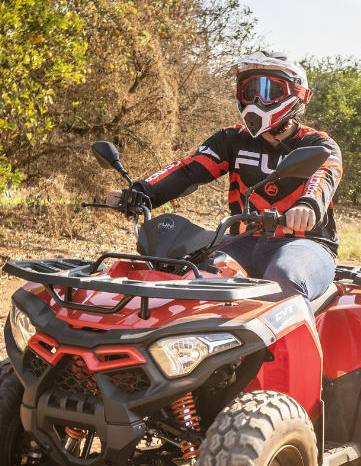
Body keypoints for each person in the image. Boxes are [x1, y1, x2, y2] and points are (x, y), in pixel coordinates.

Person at [106, 51, 343, 303]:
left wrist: (307, 206)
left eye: (269, 91)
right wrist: (139, 193)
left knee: (282, 276)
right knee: (180, 267)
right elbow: (188, 170)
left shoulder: (318, 144)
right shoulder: (232, 139)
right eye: (249, 91)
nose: (256, 100)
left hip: (305, 244)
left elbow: (322, 179)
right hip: (242, 240)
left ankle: (293, 343)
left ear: (296, 94)